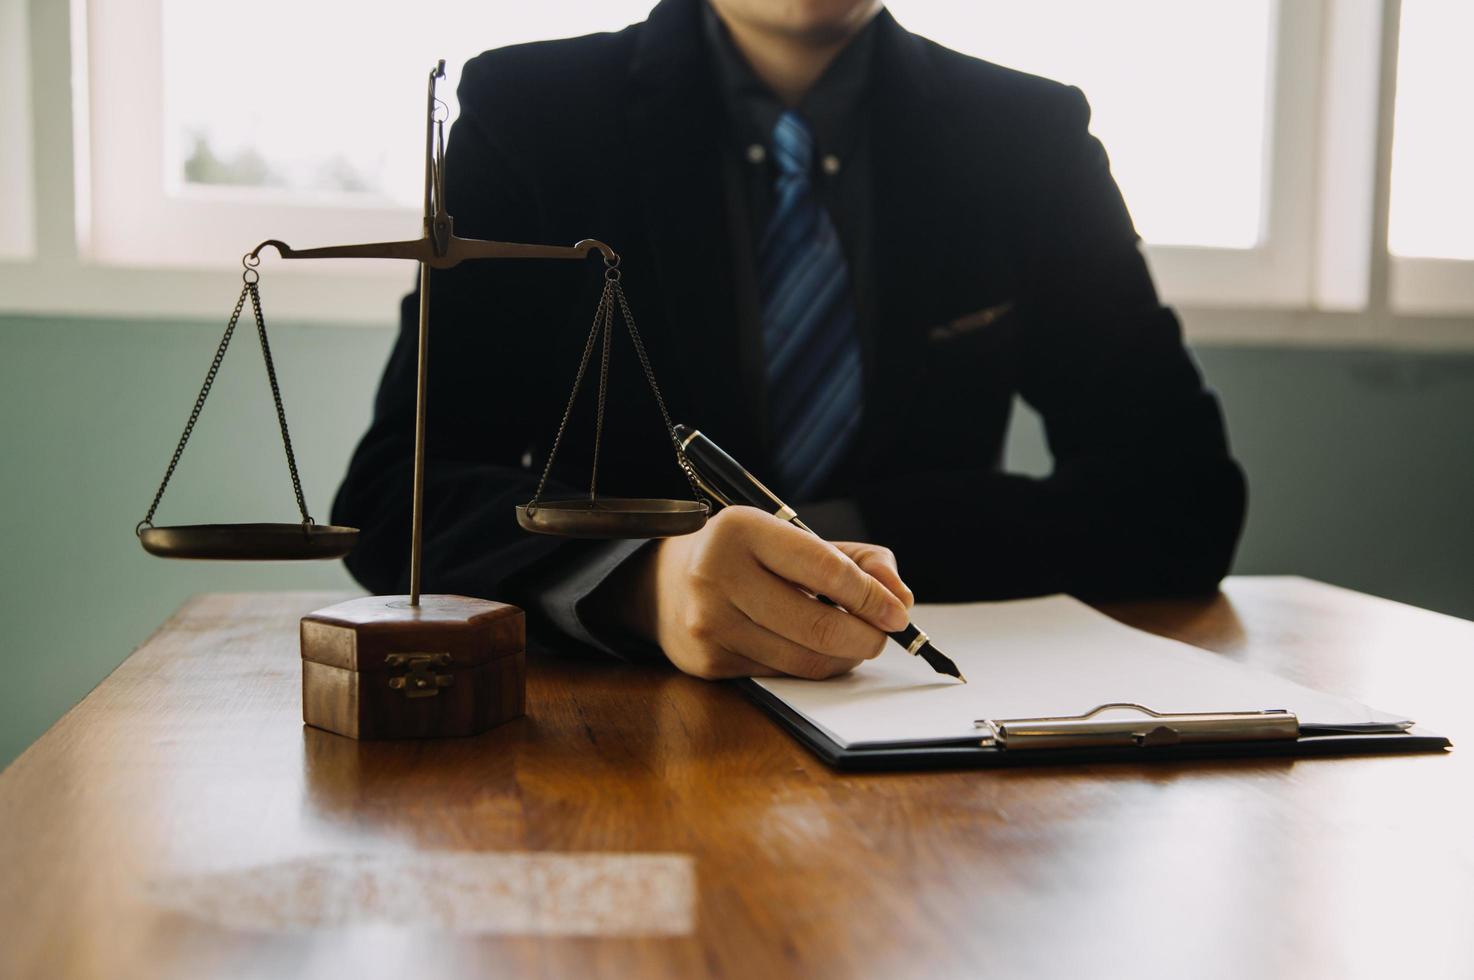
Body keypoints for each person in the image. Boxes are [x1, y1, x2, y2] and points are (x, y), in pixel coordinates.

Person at [333, 0, 1247, 681]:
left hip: (935, 738)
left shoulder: (1028, 138)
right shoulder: (531, 114)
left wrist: (861, 536)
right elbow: (398, 495)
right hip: (617, 734)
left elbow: (1183, 498)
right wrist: (645, 583)